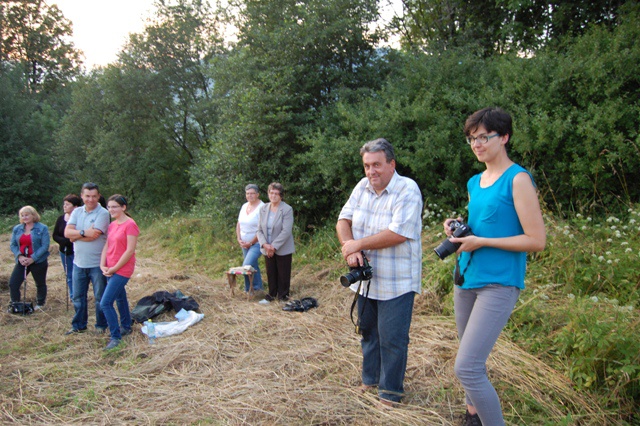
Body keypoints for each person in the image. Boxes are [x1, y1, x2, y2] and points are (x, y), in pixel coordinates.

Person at [444, 107, 546, 426]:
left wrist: (484, 242)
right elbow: (482, 226)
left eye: (484, 137)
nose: (477, 144)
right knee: (472, 359)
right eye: (472, 138)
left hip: (499, 283)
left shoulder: (517, 179)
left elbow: (536, 240)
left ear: (504, 138)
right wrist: (457, 228)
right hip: (467, 278)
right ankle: (472, 415)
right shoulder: (476, 182)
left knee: (467, 367)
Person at [336, 138, 423, 407]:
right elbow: (343, 220)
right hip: (366, 280)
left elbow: (399, 233)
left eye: (376, 164)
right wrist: (349, 248)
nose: (371, 171)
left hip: (397, 281)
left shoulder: (407, 189)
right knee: (368, 333)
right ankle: (370, 379)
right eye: (366, 165)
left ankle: (390, 393)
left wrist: (358, 244)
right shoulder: (362, 186)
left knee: (393, 339)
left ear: (391, 164)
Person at [64, 182, 110, 335]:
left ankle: (101, 325)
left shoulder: (103, 213)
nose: (90, 199)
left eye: (94, 196)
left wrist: (75, 236)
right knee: (78, 297)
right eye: (87, 196)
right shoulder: (76, 212)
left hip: (97, 263)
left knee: (99, 298)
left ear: (98, 196)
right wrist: (84, 233)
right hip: (79, 263)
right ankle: (79, 325)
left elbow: (94, 235)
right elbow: (66, 233)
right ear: (82, 196)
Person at [100, 195, 139, 350]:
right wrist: (102, 264)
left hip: (122, 269)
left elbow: (130, 251)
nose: (111, 210)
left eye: (115, 206)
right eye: (109, 207)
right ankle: (126, 326)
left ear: (123, 207)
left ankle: (115, 337)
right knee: (120, 298)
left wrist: (114, 268)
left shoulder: (130, 225)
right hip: (110, 267)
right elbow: (107, 246)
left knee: (105, 302)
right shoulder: (112, 225)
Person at [256, 182, 295, 303]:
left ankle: (283, 296)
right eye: (271, 193)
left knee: (283, 273)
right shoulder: (263, 208)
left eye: (276, 194)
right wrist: (264, 245)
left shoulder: (287, 209)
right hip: (266, 247)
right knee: (271, 272)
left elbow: (286, 231)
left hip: (282, 247)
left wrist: (273, 247)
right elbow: (259, 230)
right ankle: (271, 295)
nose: (273, 196)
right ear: (268, 194)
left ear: (281, 195)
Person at [9, 206, 50, 309]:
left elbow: (45, 246)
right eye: (22, 215)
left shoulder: (42, 228)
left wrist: (33, 258)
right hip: (22, 260)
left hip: (38, 261)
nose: (24, 217)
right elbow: (13, 245)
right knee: (13, 283)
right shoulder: (17, 229)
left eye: (27, 215)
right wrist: (19, 256)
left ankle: (40, 303)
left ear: (33, 215)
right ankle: (15, 304)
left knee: (40, 283)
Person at [52, 194, 82, 300]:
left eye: (67, 204)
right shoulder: (61, 219)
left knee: (78, 275)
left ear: (75, 207)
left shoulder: (80, 219)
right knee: (69, 274)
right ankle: (73, 295)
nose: (64, 206)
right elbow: (55, 235)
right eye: (64, 204)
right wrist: (63, 241)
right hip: (64, 251)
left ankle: (80, 294)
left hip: (77, 250)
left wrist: (70, 239)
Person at [236, 184, 265, 293]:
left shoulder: (262, 207)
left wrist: (251, 242)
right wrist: (239, 239)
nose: (250, 195)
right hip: (244, 242)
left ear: (258, 194)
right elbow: (239, 224)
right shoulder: (244, 206)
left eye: (252, 193)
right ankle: (255, 289)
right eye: (248, 193)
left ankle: (251, 289)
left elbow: (262, 228)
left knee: (246, 265)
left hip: (257, 242)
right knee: (252, 265)